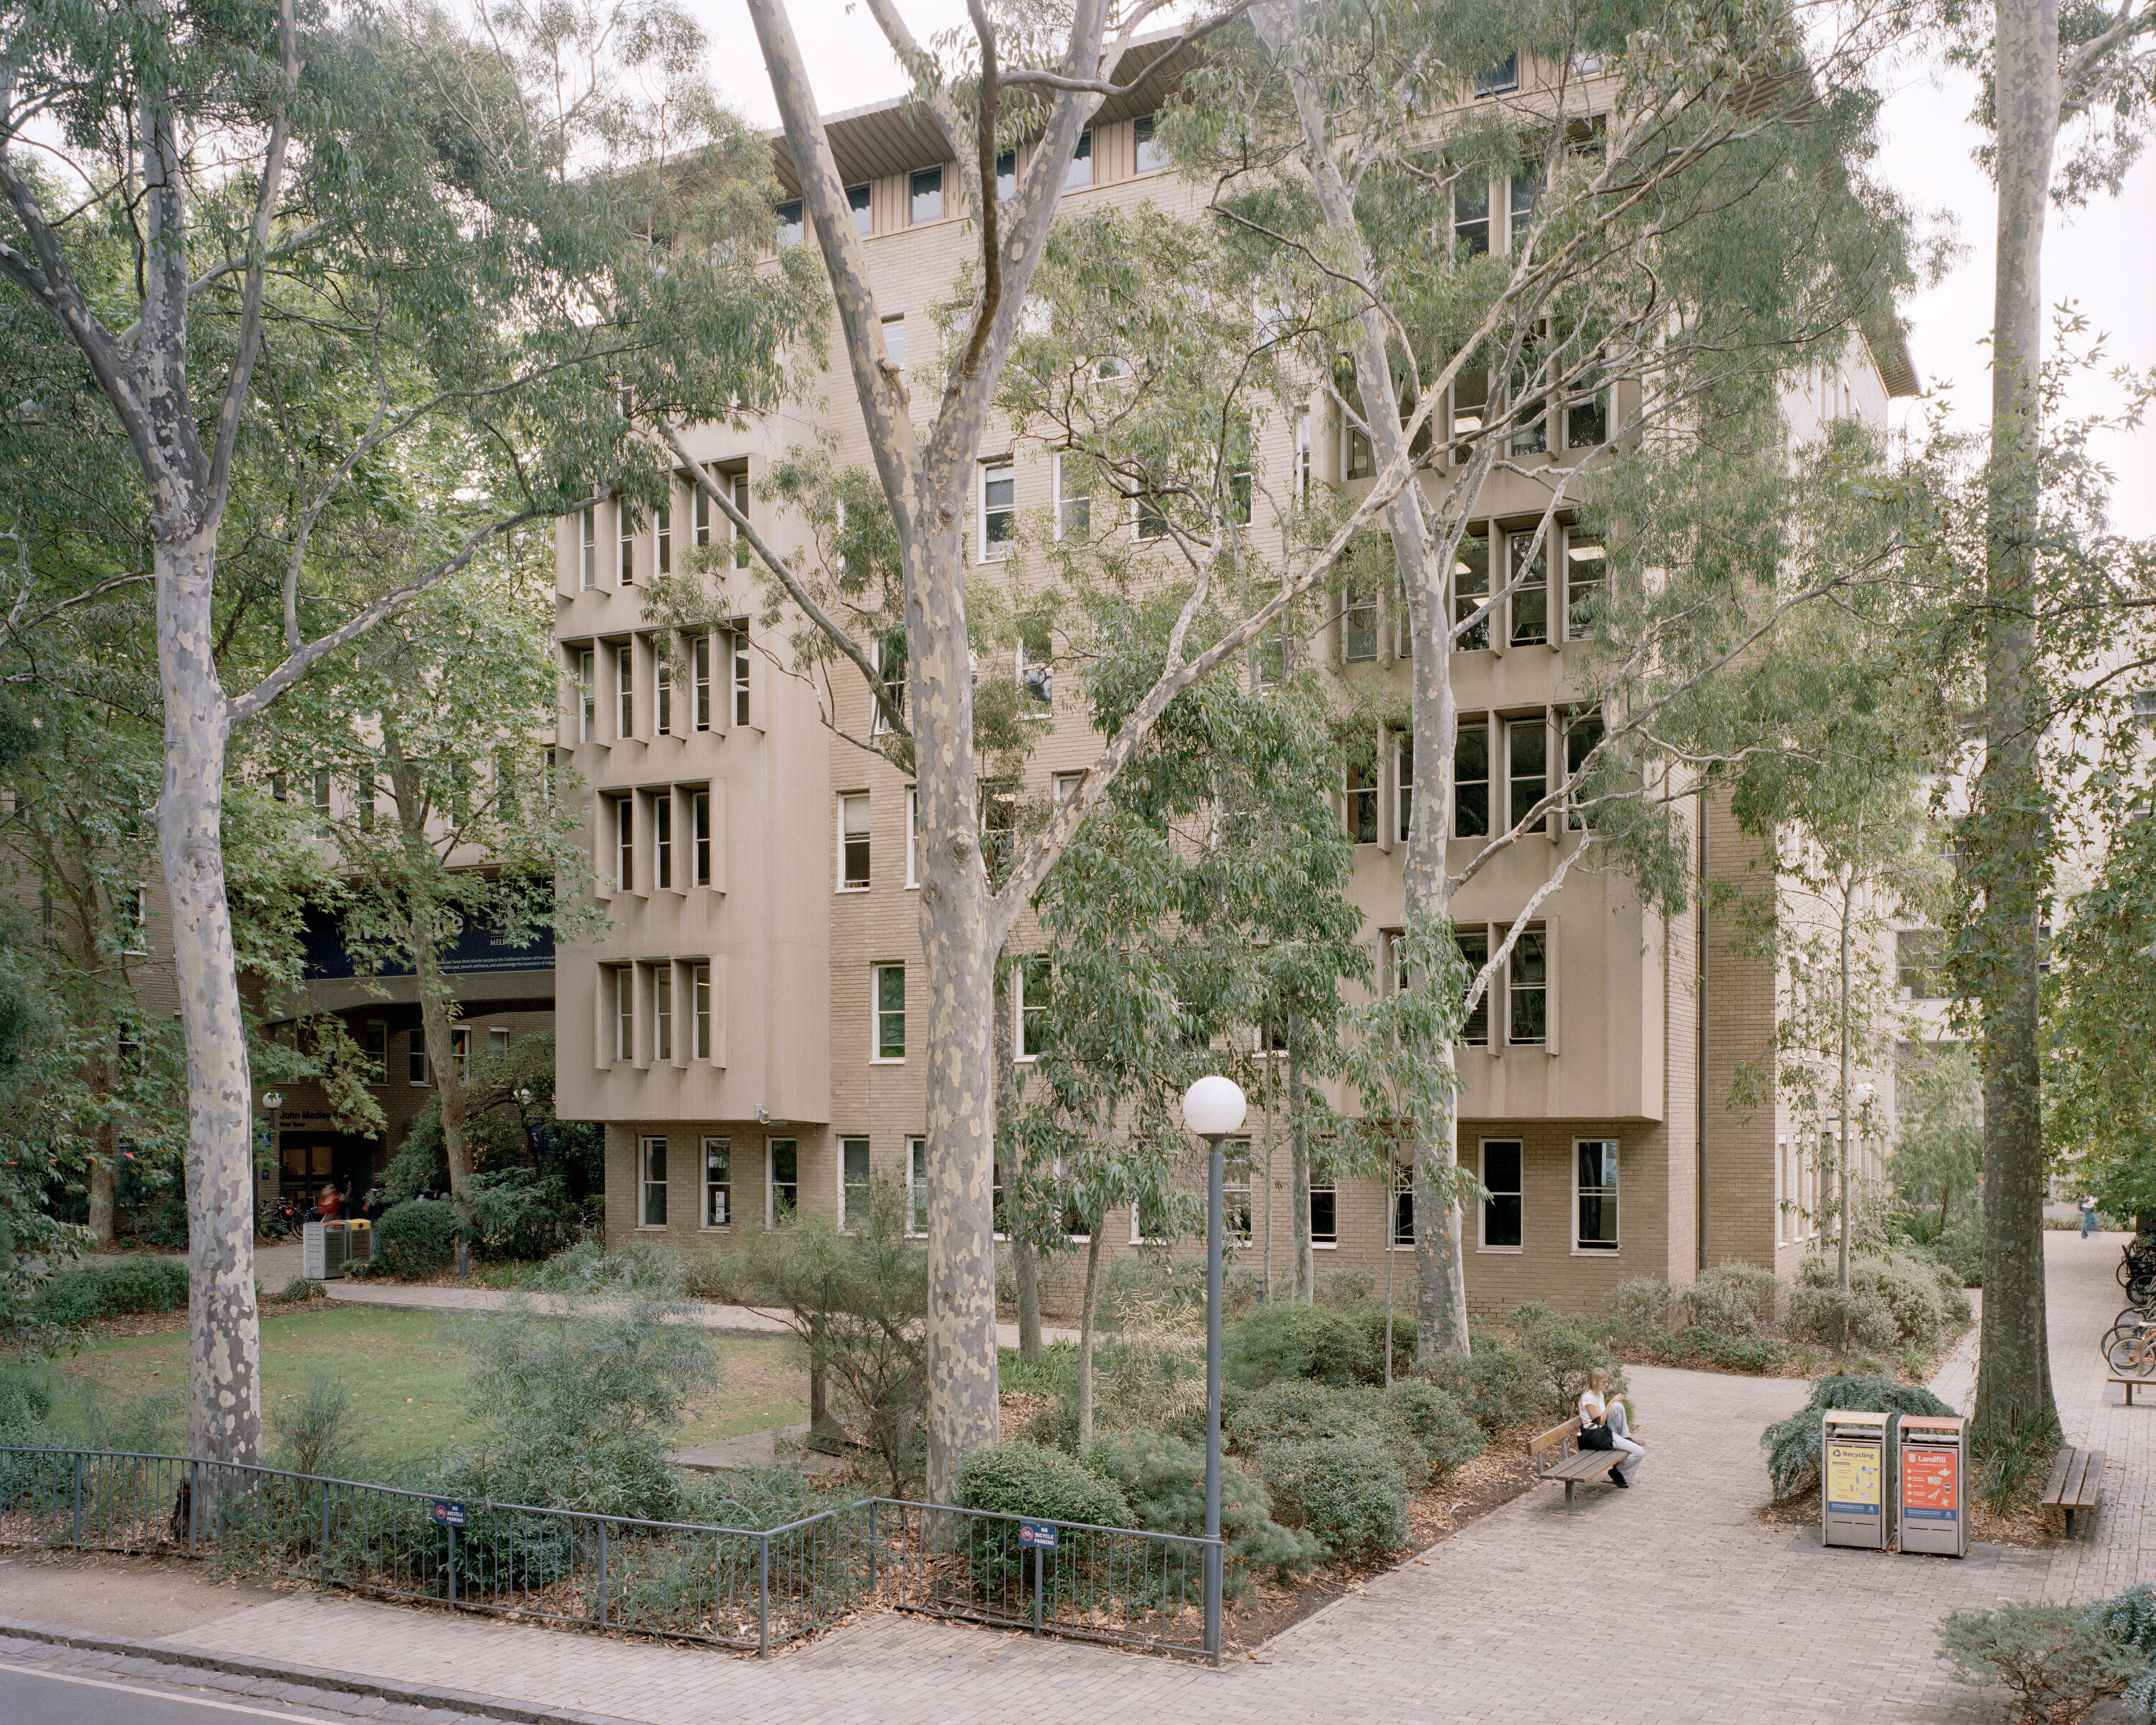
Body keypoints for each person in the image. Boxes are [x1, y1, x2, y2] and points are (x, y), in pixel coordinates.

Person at [1577, 1366, 1644, 1488]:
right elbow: (1599, 1423)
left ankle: (1626, 1436)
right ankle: (1617, 1472)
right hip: (1595, 1437)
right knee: (1638, 1452)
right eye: (1604, 1382)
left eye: (1607, 1382)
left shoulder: (1599, 1394)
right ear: (1595, 1382)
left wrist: (1614, 1406)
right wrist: (1610, 1404)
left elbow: (1605, 1418)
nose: (1606, 1384)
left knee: (1617, 1406)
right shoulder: (1588, 1397)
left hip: (1603, 1431)